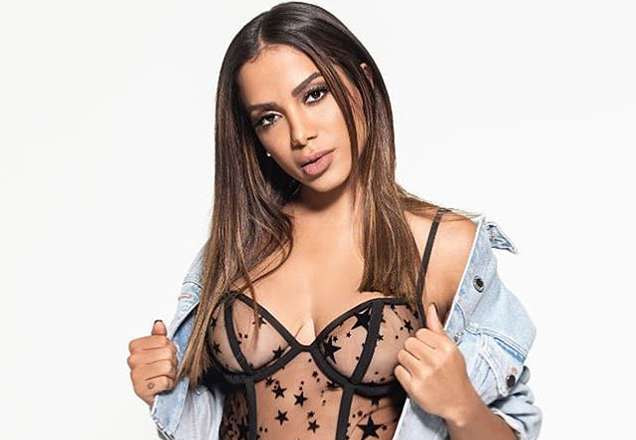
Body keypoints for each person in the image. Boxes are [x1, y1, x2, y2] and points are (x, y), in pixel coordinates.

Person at [126, 2, 542, 439]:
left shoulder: (443, 247)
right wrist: (162, 384)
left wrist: (461, 406)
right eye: (269, 118)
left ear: (363, 83)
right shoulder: (238, 248)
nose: (300, 134)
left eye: (314, 95)